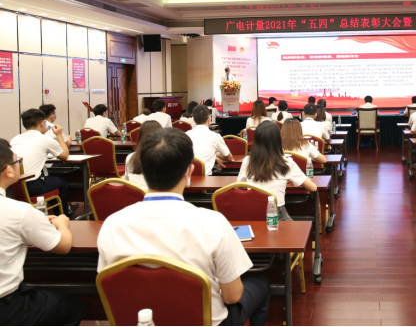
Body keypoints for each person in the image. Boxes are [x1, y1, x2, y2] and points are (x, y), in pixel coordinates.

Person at [97, 128, 270, 326]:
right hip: (205, 322)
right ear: (189, 171)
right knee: (261, 285)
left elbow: (108, 283)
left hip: (139, 321)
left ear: (142, 168)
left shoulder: (112, 224)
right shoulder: (213, 222)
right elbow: (232, 297)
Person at [0, 139, 84, 326]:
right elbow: (63, 246)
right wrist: (62, 223)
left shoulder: (22, 214)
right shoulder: (19, 212)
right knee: (73, 307)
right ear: (9, 170)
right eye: (18, 161)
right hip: (7, 308)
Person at [237, 122, 317, 221]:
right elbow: (313, 188)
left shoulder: (247, 161)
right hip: (276, 213)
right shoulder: (286, 163)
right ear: (279, 140)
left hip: (252, 212)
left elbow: (239, 186)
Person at [11, 109, 76, 217]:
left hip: (13, 186)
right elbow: (65, 155)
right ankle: (63, 216)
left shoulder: (15, 139)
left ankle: (57, 208)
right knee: (62, 182)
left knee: (49, 180)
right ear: (42, 123)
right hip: (32, 186)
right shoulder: (45, 139)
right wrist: (59, 135)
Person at [187, 105, 235, 175]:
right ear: (209, 118)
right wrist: (215, 155)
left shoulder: (185, 135)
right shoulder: (215, 136)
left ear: (194, 120)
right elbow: (229, 158)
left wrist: (214, 156)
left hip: (187, 178)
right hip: (206, 178)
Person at [124, 120, 162, 190]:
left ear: (140, 136)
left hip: (135, 194)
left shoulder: (130, 157)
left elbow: (126, 182)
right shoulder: (167, 158)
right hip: (158, 195)